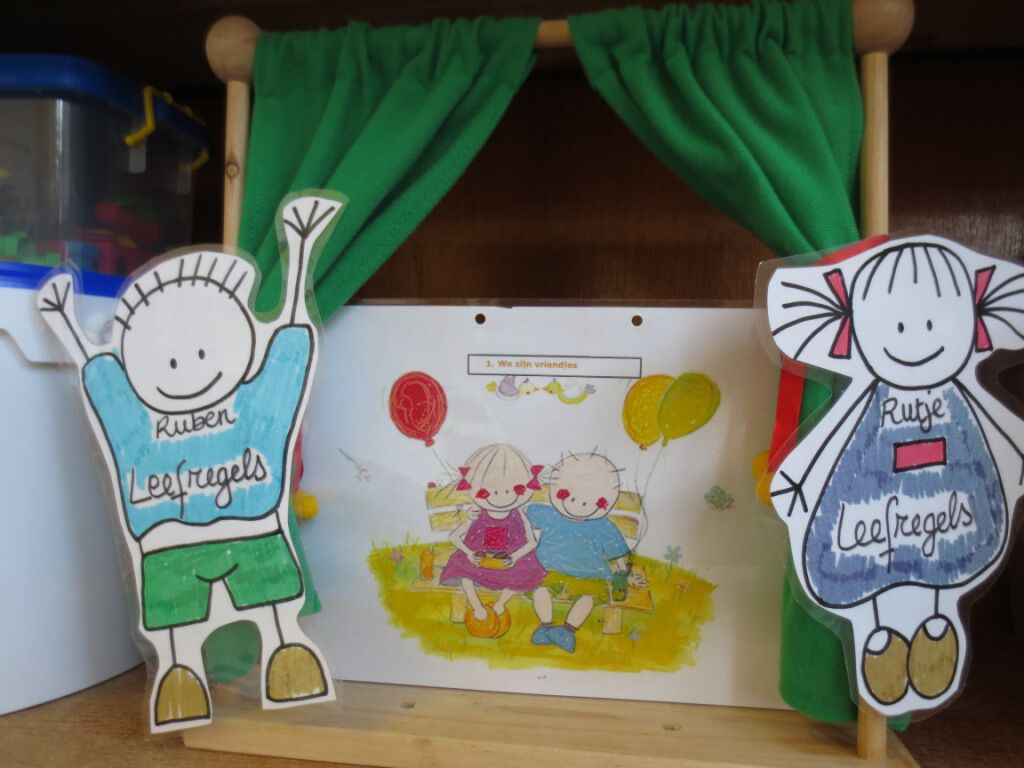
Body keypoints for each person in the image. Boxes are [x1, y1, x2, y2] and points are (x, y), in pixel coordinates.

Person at [37, 194, 342, 730]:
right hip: (168, 546)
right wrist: (67, 327)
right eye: (172, 358)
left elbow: (290, 350)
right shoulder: (137, 423)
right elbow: (105, 388)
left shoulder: (254, 405)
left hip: (252, 530)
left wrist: (299, 255)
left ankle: (285, 651)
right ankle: (180, 673)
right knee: (176, 619)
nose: (187, 368)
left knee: (273, 601)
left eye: (201, 352)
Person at [767, 238, 1024, 711]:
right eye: (900, 326)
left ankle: (935, 628)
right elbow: (833, 434)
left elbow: (1000, 428)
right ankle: (880, 637)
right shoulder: (865, 399)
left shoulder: (960, 397)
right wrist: (798, 479)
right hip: (865, 506)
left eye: (931, 324)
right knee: (873, 571)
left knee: (939, 565)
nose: (916, 339)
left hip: (949, 502)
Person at [440, 444, 546, 638]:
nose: (501, 497)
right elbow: (454, 537)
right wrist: (469, 553)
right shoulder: (477, 514)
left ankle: (500, 604)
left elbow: (531, 543)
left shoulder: (519, 515)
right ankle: (477, 607)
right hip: (478, 562)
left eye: (512, 490)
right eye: (491, 491)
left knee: (525, 572)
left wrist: (515, 557)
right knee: (464, 575)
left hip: (508, 563)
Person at [527, 452, 629, 653]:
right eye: (568, 495)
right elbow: (520, 512)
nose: (578, 505)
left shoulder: (604, 525)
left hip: (591, 573)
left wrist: (622, 570)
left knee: (588, 597)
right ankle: (546, 626)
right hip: (548, 568)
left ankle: (567, 630)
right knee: (540, 590)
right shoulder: (549, 514)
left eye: (594, 501)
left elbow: (617, 552)